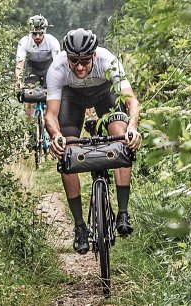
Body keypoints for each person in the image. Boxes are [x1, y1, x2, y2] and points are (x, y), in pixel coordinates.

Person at [45, 28, 142, 254]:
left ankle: (123, 213)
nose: (79, 67)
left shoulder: (108, 61)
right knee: (67, 152)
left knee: (122, 138)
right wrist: (56, 136)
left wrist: (133, 128)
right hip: (72, 98)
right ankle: (80, 227)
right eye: (74, 61)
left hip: (104, 93)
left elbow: (132, 102)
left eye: (85, 61)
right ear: (66, 57)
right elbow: (51, 114)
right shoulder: (57, 68)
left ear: (94, 56)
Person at [15, 15, 60, 116]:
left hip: (49, 68)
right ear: (30, 33)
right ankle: (30, 126)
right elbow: (19, 64)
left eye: (40, 33)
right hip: (32, 68)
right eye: (34, 34)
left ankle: (51, 119)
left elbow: (57, 65)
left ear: (45, 31)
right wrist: (18, 81)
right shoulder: (24, 42)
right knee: (28, 96)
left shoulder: (52, 41)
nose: (37, 37)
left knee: (53, 95)